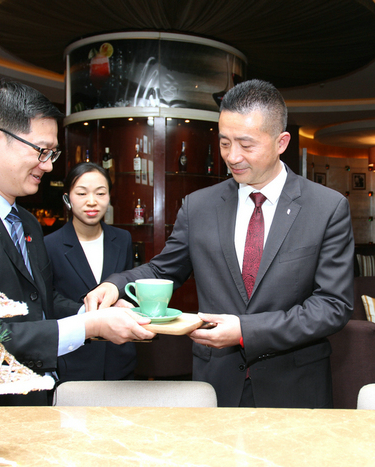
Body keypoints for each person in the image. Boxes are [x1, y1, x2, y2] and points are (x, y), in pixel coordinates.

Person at [85, 79, 354, 408]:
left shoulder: (326, 208)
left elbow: (332, 306)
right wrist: (115, 285)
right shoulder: (199, 206)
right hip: (217, 383)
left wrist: (245, 330)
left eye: (246, 144)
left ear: (281, 142)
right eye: (225, 143)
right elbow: (163, 270)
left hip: (295, 386)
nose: (233, 156)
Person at [0, 80, 154, 405]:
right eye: (41, 151)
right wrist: (88, 326)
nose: (48, 165)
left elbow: (40, 302)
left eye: (52, 153)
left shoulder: (26, 222)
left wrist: (93, 309)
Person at [44, 162, 137, 382]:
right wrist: (88, 313)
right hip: (74, 358)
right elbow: (48, 298)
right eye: (82, 193)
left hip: (119, 357)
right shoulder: (49, 244)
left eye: (100, 193)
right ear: (67, 199)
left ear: (109, 197)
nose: (92, 201)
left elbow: (129, 286)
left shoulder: (122, 239)